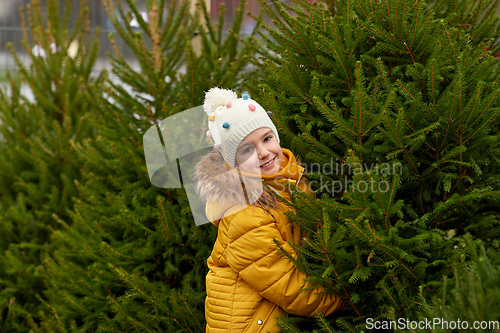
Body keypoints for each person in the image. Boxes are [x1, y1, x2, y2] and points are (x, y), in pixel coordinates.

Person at [193, 87, 344, 333]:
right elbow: (290, 287)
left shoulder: (289, 181)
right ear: (233, 163)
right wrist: (347, 299)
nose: (264, 153)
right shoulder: (243, 212)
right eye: (247, 150)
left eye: (266, 139)